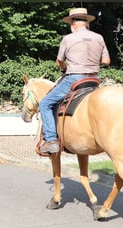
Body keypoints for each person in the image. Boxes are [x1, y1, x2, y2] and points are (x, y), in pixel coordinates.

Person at [39, 8, 111, 154]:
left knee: (45, 103)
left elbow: (59, 62)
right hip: (93, 80)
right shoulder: (99, 37)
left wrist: (67, 66)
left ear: (73, 23)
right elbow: (106, 61)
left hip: (74, 79)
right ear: (87, 23)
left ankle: (51, 139)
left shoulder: (68, 39)